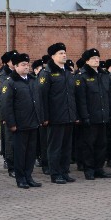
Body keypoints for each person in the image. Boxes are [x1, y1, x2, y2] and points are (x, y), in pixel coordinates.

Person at [3, 53, 44, 189]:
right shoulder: (11, 82)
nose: (26, 67)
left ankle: (29, 176)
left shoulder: (32, 80)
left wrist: (40, 118)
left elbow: (38, 101)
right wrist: (12, 124)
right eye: (23, 65)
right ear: (15, 67)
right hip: (20, 125)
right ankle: (20, 178)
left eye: (27, 64)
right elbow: (7, 105)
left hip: (33, 122)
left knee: (31, 153)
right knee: (20, 153)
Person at [38, 43, 78, 184]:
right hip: (55, 117)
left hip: (68, 116)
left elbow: (72, 95)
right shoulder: (46, 73)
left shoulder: (67, 72)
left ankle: (64, 171)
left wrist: (74, 114)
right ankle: (55, 174)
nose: (64, 55)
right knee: (55, 147)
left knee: (67, 147)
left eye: (64, 52)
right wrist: (45, 117)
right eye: (60, 53)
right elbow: (42, 97)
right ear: (53, 56)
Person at [74, 48, 111, 180]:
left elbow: (109, 96)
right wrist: (84, 116)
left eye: (98, 58)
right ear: (87, 61)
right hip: (90, 117)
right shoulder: (82, 76)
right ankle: (89, 169)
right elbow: (81, 99)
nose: (97, 60)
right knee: (88, 145)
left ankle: (99, 168)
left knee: (102, 144)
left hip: (103, 116)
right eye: (93, 59)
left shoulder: (104, 75)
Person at [0, 50, 18, 176]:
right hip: (8, 113)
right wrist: (3, 116)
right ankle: (10, 163)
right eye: (12, 61)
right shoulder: (2, 76)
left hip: (20, 114)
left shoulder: (18, 73)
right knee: (9, 140)